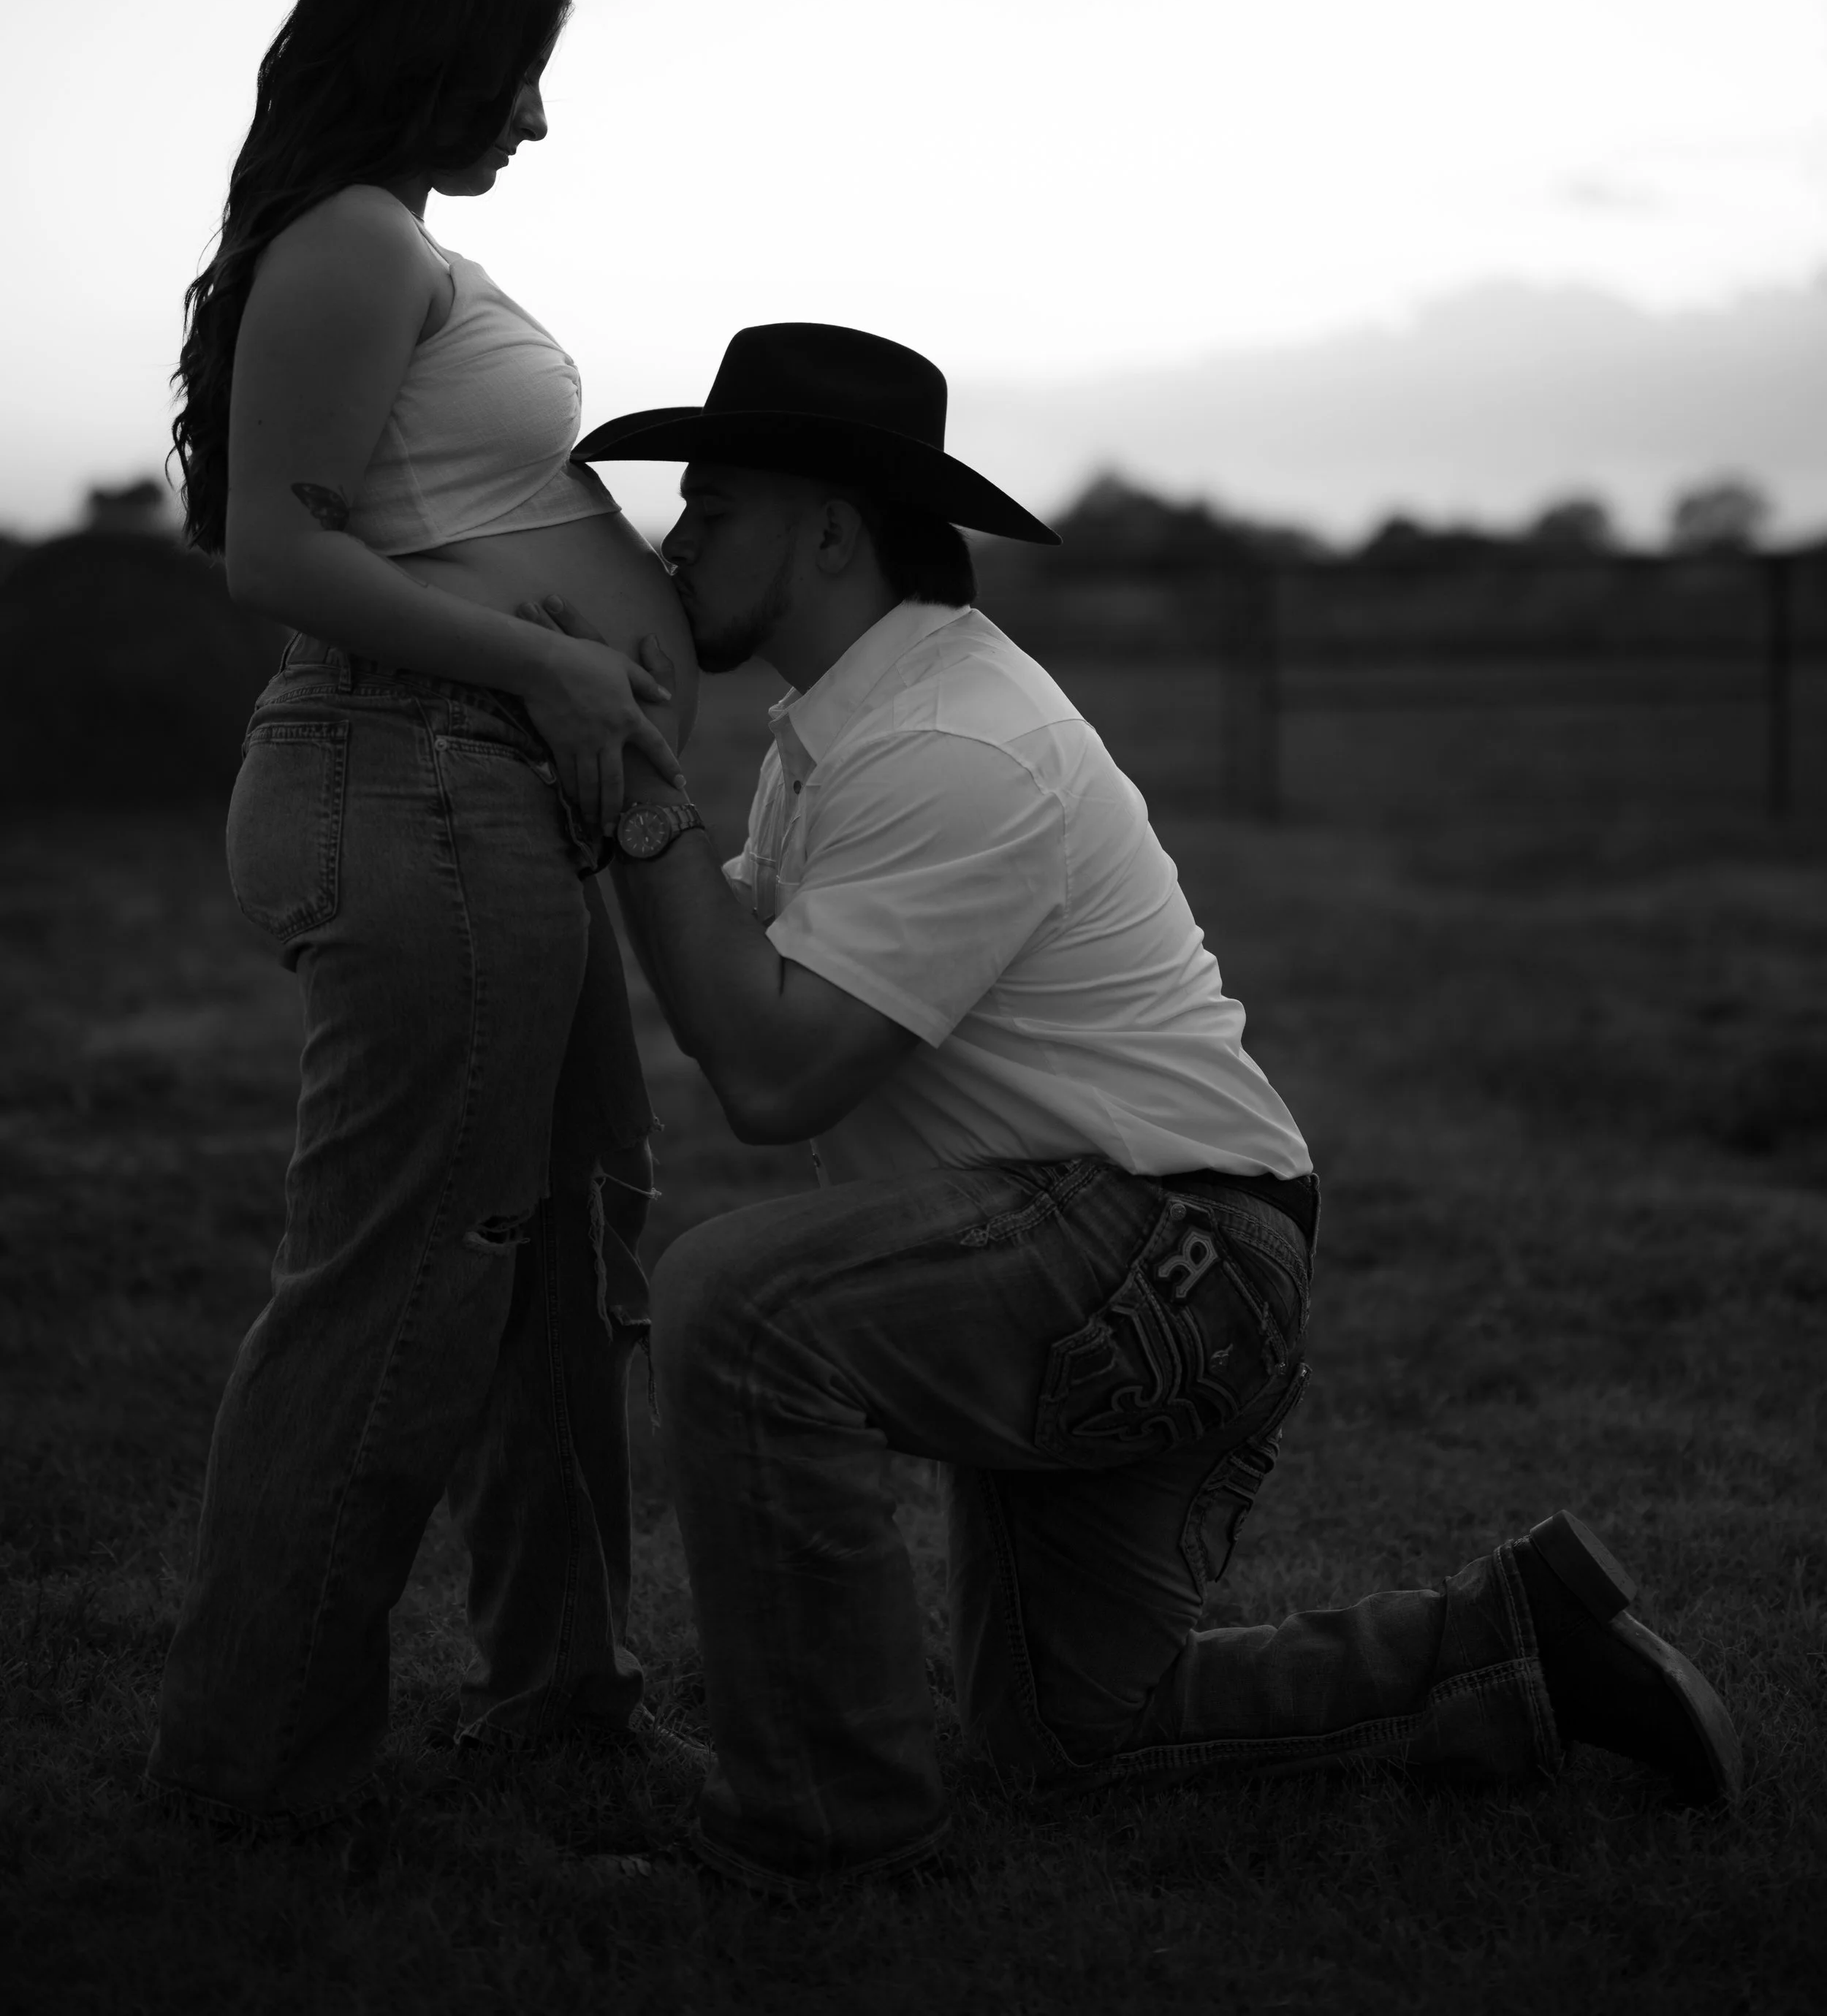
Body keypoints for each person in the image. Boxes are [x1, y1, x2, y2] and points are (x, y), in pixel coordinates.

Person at [533, 319, 1742, 1898]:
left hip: (1162, 1252)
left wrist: (633, 792)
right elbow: (726, 938)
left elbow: (768, 1070)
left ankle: (816, 1836)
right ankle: (1513, 1648)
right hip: (1125, 1251)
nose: (677, 539)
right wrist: (634, 786)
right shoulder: (842, 726)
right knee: (1060, 1738)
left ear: (830, 529)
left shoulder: (955, 742)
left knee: (738, 1309)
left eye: (715, 505)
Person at [148, 0, 702, 1827]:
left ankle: (566, 1699)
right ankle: (257, 1761)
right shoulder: (354, 243)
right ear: (434, 47)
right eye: (522, 67)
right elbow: (277, 555)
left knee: (563, 1265)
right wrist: (555, 657)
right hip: (415, 788)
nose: (538, 119)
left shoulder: (396, 247)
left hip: (488, 797)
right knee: (397, 1277)